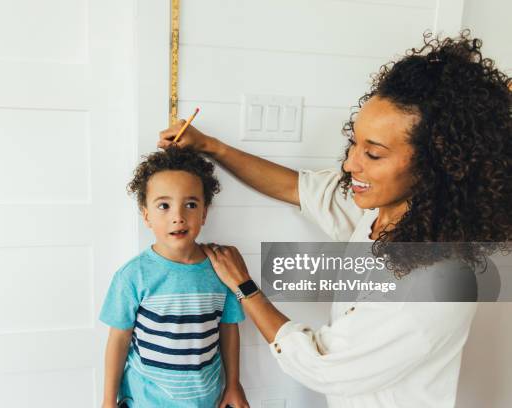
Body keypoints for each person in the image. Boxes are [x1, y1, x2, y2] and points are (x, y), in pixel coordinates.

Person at [157, 32, 511, 407]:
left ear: (435, 167)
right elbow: (297, 188)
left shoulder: (439, 285)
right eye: (354, 143)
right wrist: (211, 146)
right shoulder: (381, 210)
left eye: (373, 154)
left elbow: (320, 364)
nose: (349, 163)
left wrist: (245, 288)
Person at [100, 147, 249, 408]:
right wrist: (107, 401)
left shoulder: (221, 269)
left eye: (190, 204)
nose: (178, 217)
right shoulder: (133, 276)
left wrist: (233, 383)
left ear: (204, 213)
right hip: (147, 400)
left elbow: (228, 328)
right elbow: (119, 339)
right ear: (147, 216)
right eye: (164, 206)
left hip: (206, 398)